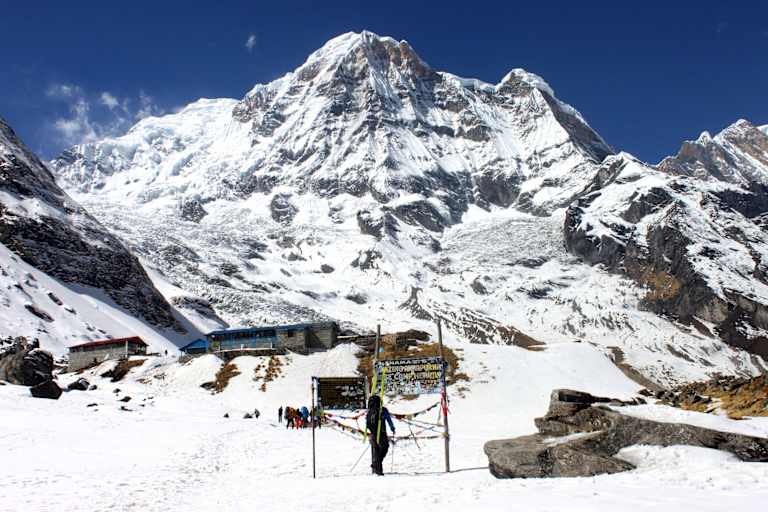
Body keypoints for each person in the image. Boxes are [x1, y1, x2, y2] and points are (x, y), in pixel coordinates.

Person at [366, 395, 395, 475]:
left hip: (372, 433)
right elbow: (388, 419)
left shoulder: (370, 411)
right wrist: (392, 428)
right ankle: (376, 464)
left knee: (376, 451)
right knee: (384, 448)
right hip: (382, 432)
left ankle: (378, 470)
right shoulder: (383, 410)